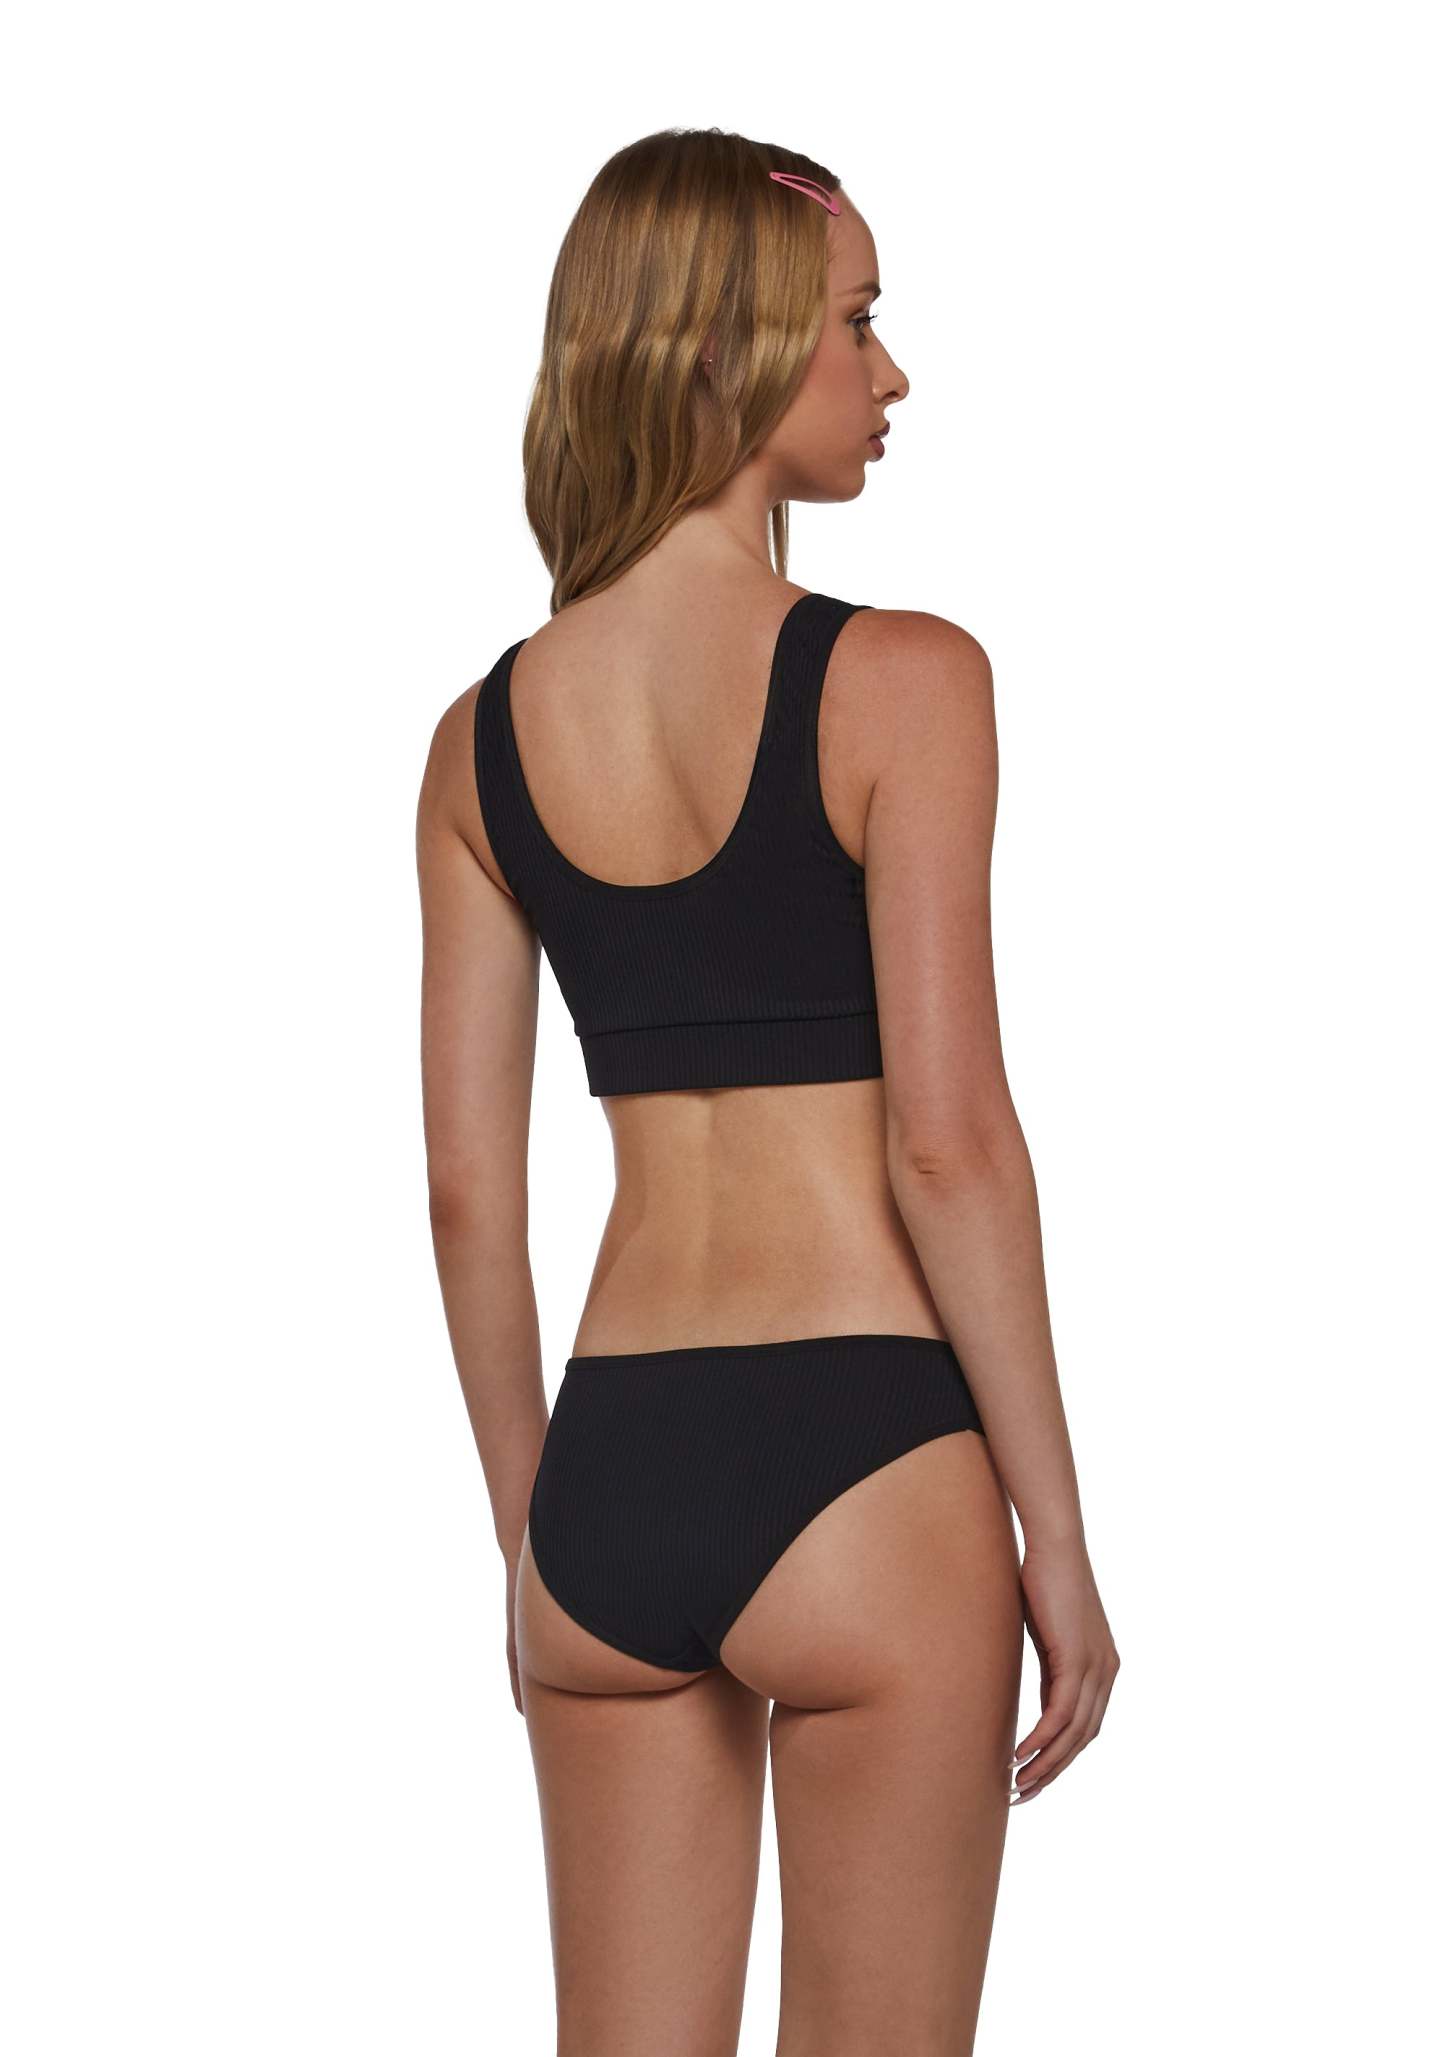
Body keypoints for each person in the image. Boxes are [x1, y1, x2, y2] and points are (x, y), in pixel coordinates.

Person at [416, 126, 1120, 2056]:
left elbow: (469, 1193)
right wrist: (1055, 1532)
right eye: (857, 322)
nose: (892, 373)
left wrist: (532, 1538)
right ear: (724, 350)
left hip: (607, 1472)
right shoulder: (907, 680)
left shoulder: (479, 743)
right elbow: (948, 1145)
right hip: (868, 1458)